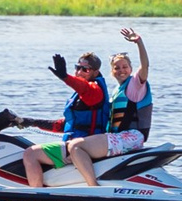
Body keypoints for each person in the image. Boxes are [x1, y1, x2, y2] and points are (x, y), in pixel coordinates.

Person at [62, 28, 152, 189]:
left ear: (131, 69)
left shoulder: (135, 85)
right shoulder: (117, 91)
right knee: (74, 149)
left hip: (131, 137)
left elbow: (145, 66)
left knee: (76, 146)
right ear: (112, 71)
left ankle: (93, 188)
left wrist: (139, 42)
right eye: (117, 68)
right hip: (120, 138)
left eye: (125, 67)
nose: (121, 70)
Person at [21, 50, 108, 189]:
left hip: (83, 147)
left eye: (85, 69)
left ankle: (36, 195)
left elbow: (84, 88)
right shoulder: (83, 94)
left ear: (95, 73)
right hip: (75, 143)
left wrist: (64, 76)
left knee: (30, 153)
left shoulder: (95, 91)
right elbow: (65, 124)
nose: (79, 72)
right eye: (77, 68)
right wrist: (33, 122)